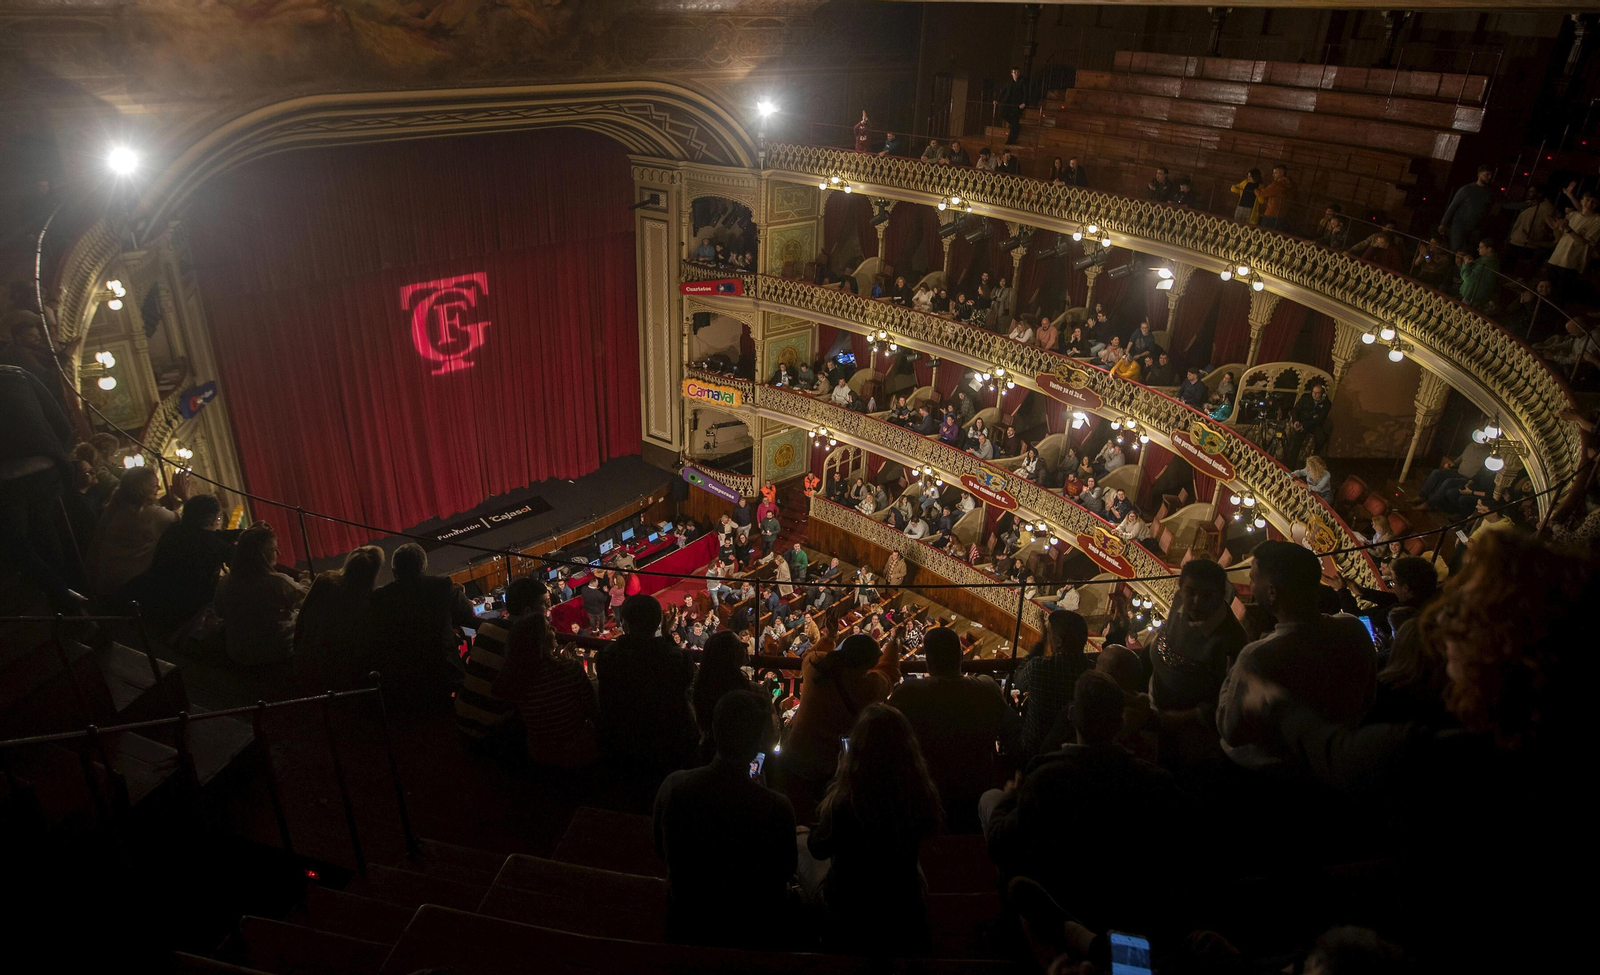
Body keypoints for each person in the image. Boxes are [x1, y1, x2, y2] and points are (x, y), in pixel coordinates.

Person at [1235, 530, 1585, 971]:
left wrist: (1274, 704)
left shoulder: (1439, 759)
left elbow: (1337, 754)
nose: (1443, 628)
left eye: (1462, 619)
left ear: (1499, 648)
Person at [983, 671, 1187, 933]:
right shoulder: (1153, 780)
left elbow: (1000, 843)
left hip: (1060, 906)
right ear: (1119, 722)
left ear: (1072, 715)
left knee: (989, 798)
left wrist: (1012, 795)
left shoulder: (1045, 778)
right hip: (1127, 912)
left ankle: (1011, 922)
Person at [653, 688, 795, 948]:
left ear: (714, 731)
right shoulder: (778, 807)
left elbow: (660, 851)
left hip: (686, 928)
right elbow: (786, 871)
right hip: (754, 933)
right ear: (756, 745)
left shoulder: (674, 787)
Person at [1216, 541, 1375, 770]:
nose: (1249, 584)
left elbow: (1229, 730)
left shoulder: (1257, 657)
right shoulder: (1353, 629)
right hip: (1340, 762)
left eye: (1252, 578)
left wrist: (1231, 675)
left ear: (1271, 592)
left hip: (1275, 775)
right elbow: (1369, 698)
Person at [802, 702, 941, 955]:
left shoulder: (847, 801)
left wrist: (837, 783)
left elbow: (817, 847)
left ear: (857, 751)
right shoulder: (917, 794)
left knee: (800, 840)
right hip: (904, 909)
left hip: (847, 914)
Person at [888, 627, 1015, 831]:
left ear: (927, 660)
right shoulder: (987, 689)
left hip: (925, 798)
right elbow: (1012, 732)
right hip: (977, 793)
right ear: (961, 655)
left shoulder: (907, 695)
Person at [782, 633, 901, 819]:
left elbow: (812, 654)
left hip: (795, 752)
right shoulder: (868, 687)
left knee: (795, 806)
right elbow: (890, 672)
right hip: (831, 767)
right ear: (868, 665)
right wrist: (894, 644)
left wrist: (829, 638)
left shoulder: (815, 665)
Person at [594, 594, 697, 772]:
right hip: (667, 746)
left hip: (620, 745)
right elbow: (686, 678)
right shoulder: (676, 659)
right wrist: (667, 637)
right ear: (658, 623)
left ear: (624, 623)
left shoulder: (607, 656)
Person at [365, 543, 475, 703]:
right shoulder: (441, 586)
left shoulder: (380, 597)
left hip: (401, 680)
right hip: (443, 672)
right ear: (424, 568)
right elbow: (467, 611)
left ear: (395, 572)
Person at [493, 609, 599, 768]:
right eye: (549, 628)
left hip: (538, 752)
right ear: (539, 640)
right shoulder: (569, 668)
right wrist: (570, 665)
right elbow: (591, 707)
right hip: (576, 750)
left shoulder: (519, 674)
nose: (555, 629)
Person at [453, 577, 547, 744]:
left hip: (461, 717)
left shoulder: (487, 627)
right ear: (527, 611)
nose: (547, 609)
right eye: (544, 604)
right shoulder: (526, 642)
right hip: (490, 730)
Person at [1148, 560, 1246, 711]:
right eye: (1191, 592)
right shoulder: (1179, 599)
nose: (1197, 601)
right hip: (1154, 695)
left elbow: (1228, 699)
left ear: (1222, 595)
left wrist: (1178, 719)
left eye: (1207, 596)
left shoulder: (1233, 639)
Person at [138, 493, 238, 631]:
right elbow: (235, 558)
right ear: (212, 520)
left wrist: (243, 533)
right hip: (191, 610)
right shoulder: (213, 545)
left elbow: (209, 536)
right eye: (219, 518)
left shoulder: (174, 530)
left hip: (159, 602)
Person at [213, 523, 307, 667]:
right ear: (262, 553)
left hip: (238, 654)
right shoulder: (278, 583)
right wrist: (305, 580)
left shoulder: (225, 582)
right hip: (278, 654)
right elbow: (307, 600)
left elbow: (219, 613)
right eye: (274, 549)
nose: (279, 553)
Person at [85, 465, 180, 598]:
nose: (158, 488)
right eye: (154, 486)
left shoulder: (118, 506)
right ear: (142, 489)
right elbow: (185, 524)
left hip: (105, 584)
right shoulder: (144, 514)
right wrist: (185, 497)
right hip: (125, 588)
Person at [1013, 610, 1091, 759]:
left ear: (1059, 641)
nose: (1049, 640)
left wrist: (1041, 642)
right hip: (1071, 754)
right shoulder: (1092, 671)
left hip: (1031, 749)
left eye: (1050, 636)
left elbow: (1018, 680)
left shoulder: (1040, 667)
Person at [1546, 189, 1600, 299]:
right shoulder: (1572, 215)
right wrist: (1556, 227)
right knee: (1548, 288)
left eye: (1593, 202)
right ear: (1581, 201)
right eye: (1587, 200)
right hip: (1557, 257)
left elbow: (1583, 242)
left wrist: (1568, 228)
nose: (1589, 204)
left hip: (1572, 261)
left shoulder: (1597, 220)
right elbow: (1560, 236)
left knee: (1561, 294)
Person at [1439, 164, 1496, 252]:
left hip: (1476, 228)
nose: (1489, 177)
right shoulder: (1466, 189)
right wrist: (1443, 223)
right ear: (1479, 175)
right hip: (1460, 226)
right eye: (1487, 174)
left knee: (1468, 252)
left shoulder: (1489, 193)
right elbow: (1453, 206)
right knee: (1457, 250)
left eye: (1490, 175)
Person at [1283, 382, 1332, 465]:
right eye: (1313, 392)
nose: (1315, 395)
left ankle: (1313, 461)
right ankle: (1290, 466)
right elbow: (1296, 410)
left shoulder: (1326, 403)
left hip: (1314, 424)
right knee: (1296, 441)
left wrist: (1305, 425)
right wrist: (1296, 421)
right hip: (1302, 421)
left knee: (1321, 438)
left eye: (1317, 393)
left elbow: (1320, 419)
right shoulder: (1306, 398)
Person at [1256, 163, 1293, 232]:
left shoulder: (1277, 185)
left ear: (1282, 173)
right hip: (1281, 216)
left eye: (1275, 173)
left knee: (1264, 234)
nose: (1273, 175)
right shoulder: (1290, 186)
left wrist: (1255, 189)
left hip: (1270, 215)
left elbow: (1261, 193)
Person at [995, 66, 1027, 144]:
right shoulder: (1009, 82)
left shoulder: (1022, 82)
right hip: (1008, 104)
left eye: (1017, 72)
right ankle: (1015, 126)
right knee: (1002, 113)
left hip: (1018, 105)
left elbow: (1025, 93)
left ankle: (1011, 140)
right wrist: (997, 100)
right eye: (1014, 72)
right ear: (1012, 73)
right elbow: (1003, 92)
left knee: (1014, 121)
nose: (1016, 74)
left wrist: (1024, 102)